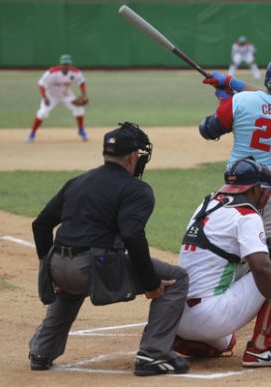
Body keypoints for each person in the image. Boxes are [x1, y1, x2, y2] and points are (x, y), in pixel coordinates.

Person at [28, 122, 190, 377]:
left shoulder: (77, 182)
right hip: (92, 267)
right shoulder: (136, 190)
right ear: (133, 157)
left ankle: (41, 351)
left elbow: (41, 225)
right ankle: (154, 355)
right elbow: (132, 236)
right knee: (176, 277)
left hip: (58, 267)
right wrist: (150, 283)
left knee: (70, 289)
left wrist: (48, 272)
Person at [198, 54, 271, 325]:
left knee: (229, 241)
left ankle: (260, 296)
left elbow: (208, 130)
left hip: (235, 187)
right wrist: (233, 85)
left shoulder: (241, 102)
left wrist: (226, 96)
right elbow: (269, 100)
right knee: (270, 246)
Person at [173, 156, 271, 367]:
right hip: (209, 317)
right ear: (252, 189)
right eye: (263, 190)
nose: (265, 196)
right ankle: (260, 351)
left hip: (176, 316)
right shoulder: (246, 216)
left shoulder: (206, 204)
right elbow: (260, 268)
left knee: (226, 343)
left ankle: (185, 338)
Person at [27, 54, 89, 143]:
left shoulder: (75, 72)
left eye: (67, 64)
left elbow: (81, 82)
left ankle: (81, 130)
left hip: (66, 95)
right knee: (42, 113)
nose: (66, 65)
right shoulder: (52, 72)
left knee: (79, 110)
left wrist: (83, 94)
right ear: (61, 64)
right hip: (51, 95)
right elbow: (41, 84)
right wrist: (44, 97)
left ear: (70, 64)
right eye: (64, 64)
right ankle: (32, 133)